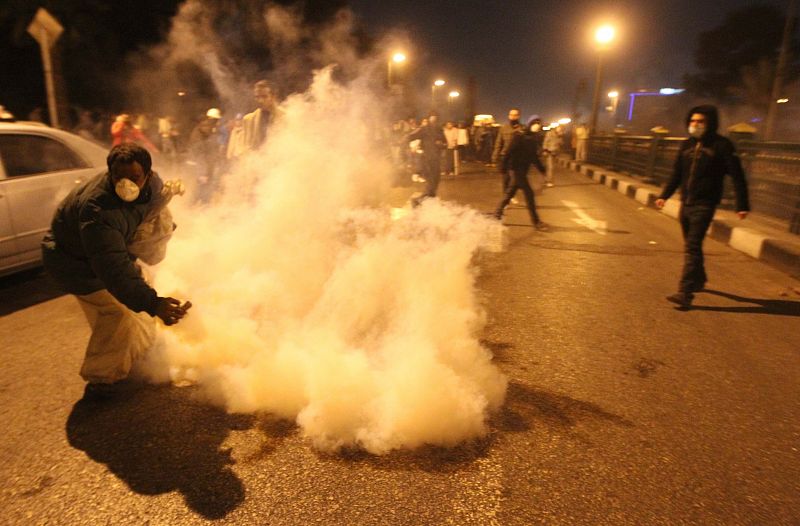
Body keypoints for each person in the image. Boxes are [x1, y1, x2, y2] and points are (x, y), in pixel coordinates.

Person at [41, 144, 190, 399]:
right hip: (74, 265)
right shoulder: (98, 211)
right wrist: (155, 303)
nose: (127, 185)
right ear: (110, 174)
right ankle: (103, 380)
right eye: (119, 178)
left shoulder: (153, 186)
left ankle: (139, 359)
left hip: (104, 256)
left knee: (141, 294)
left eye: (134, 178)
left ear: (148, 175)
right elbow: (112, 269)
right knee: (118, 314)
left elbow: (147, 214)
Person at [655, 105, 750, 309]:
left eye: (700, 121)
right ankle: (699, 278)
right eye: (692, 121)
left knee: (692, 246)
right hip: (686, 203)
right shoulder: (686, 145)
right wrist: (664, 195)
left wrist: (742, 204)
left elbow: (737, 176)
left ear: (710, 123)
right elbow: (677, 175)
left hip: (705, 204)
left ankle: (685, 292)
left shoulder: (722, 146)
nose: (695, 125)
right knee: (691, 245)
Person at [494, 116, 549, 230]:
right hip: (515, 169)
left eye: (539, 123)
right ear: (529, 124)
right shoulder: (519, 136)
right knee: (529, 195)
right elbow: (508, 152)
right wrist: (503, 166)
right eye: (535, 122)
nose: (537, 125)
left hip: (523, 171)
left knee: (509, 193)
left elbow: (534, 157)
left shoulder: (533, 139)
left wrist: (542, 169)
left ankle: (497, 214)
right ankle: (536, 222)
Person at [407, 111, 447, 205]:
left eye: (435, 117)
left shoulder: (439, 130)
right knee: (431, 181)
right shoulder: (424, 129)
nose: (434, 119)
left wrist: (441, 144)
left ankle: (428, 200)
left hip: (436, 159)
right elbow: (411, 136)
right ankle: (419, 201)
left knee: (436, 180)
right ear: (429, 118)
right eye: (432, 117)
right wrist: (408, 147)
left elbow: (445, 143)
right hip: (427, 159)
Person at [240, 79, 277, 153]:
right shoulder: (248, 119)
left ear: (273, 97)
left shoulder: (285, 117)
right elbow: (245, 148)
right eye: (257, 97)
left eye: (264, 97)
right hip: (256, 162)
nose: (260, 101)